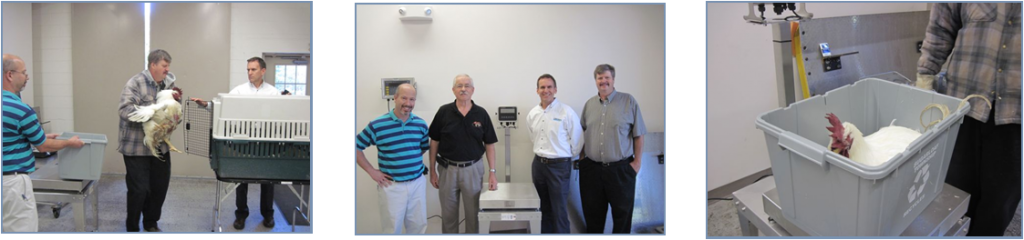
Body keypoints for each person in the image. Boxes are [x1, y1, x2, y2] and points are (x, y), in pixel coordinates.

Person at [916, 3, 1021, 236]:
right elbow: (941, 26)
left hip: (1017, 115)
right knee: (955, 192)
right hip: (964, 107)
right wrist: (925, 76)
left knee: (1000, 203)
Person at [190, 57, 281, 229]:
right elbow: (222, 105)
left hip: (266, 141)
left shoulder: (273, 92)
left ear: (263, 71)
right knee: (242, 178)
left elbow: (281, 115)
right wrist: (206, 105)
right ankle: (241, 215)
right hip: (244, 140)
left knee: (268, 179)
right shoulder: (239, 91)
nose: (249, 73)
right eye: (248, 69)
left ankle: (268, 215)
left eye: (253, 69)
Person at [2, 53, 85, 232]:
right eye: (24, 73)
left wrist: (40, 136)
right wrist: (69, 143)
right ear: (10, 75)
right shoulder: (21, 109)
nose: (27, 77)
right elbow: (43, 147)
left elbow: (8, 137)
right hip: (12, 183)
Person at [579, 64, 646, 233]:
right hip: (592, 171)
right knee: (593, 217)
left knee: (622, 218)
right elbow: (581, 133)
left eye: (607, 77)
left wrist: (637, 162)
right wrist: (581, 160)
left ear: (613, 79)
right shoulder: (589, 105)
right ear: (595, 81)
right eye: (600, 78)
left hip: (621, 170)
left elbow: (639, 134)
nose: (603, 81)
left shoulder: (628, 101)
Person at [428, 74, 498, 233]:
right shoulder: (444, 112)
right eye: (459, 86)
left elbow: (490, 145)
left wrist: (492, 172)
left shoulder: (481, 113)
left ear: (473, 90)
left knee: (474, 215)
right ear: (453, 90)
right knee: (448, 215)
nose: (463, 89)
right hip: (447, 170)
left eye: (467, 86)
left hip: (473, 170)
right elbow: (434, 142)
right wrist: (432, 170)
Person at [356, 84, 429, 234]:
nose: (408, 103)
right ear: (395, 98)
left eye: (412, 99)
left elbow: (420, 149)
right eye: (404, 98)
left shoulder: (421, 124)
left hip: (417, 183)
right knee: (391, 229)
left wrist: (407, 162)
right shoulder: (378, 125)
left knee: (419, 227)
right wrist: (371, 171)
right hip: (391, 187)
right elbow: (356, 146)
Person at [118, 49, 178, 232]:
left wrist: (174, 116)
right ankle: (133, 227)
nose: (167, 69)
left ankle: (151, 222)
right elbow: (125, 110)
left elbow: (173, 109)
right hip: (136, 147)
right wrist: (153, 114)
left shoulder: (169, 83)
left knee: (159, 187)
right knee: (139, 190)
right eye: (164, 66)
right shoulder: (135, 83)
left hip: (160, 147)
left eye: (168, 66)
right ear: (153, 65)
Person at [526, 74, 582, 233]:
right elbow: (533, 138)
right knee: (542, 208)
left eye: (549, 87)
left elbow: (577, 141)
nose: (546, 90)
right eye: (542, 87)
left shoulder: (566, 112)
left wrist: (562, 157)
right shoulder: (533, 114)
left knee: (559, 210)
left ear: (555, 89)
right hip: (538, 166)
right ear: (537, 90)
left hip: (559, 167)